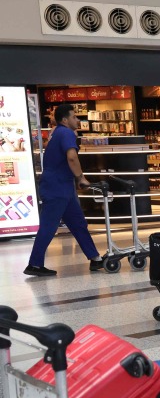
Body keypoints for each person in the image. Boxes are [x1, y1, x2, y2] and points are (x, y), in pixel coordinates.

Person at [25, 103, 104, 277]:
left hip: (62, 186)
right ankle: (35, 264)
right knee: (48, 226)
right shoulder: (66, 133)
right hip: (57, 187)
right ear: (65, 120)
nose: (77, 119)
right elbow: (71, 157)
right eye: (74, 116)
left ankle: (95, 258)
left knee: (78, 223)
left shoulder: (57, 133)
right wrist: (81, 177)